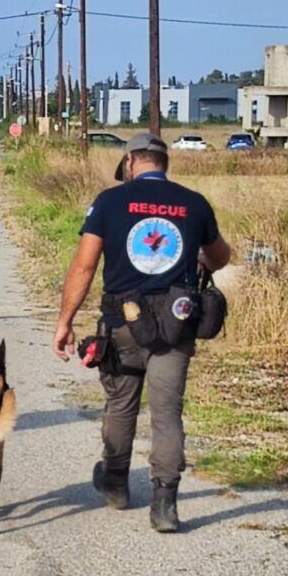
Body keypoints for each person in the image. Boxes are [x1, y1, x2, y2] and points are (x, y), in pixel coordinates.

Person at [53, 133, 232, 532]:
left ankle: (116, 483)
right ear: (163, 162)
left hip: (121, 324)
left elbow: (83, 267)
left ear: (131, 161)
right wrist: (200, 254)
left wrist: (65, 322)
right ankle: (165, 505)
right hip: (175, 325)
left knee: (120, 405)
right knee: (167, 414)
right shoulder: (194, 203)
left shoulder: (109, 201)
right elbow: (220, 256)